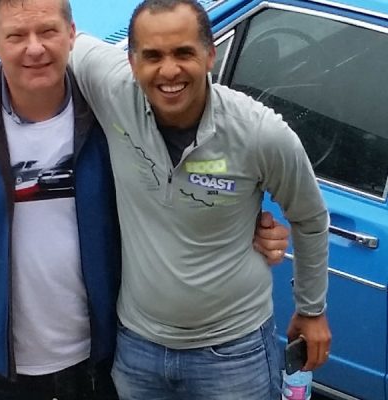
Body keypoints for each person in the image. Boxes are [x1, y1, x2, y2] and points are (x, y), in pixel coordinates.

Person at [0, 0, 289, 399]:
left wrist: (240, 222)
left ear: (72, 34)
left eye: (48, 31)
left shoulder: (108, 107)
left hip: (98, 357)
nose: (35, 48)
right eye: (17, 36)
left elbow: (186, 167)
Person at [68, 0, 332, 399]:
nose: (168, 70)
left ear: (210, 55)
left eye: (183, 53)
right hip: (137, 348)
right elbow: (54, 38)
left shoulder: (259, 133)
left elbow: (310, 217)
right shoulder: (113, 88)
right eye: (152, 56)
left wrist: (311, 310)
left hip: (234, 354)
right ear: (132, 61)